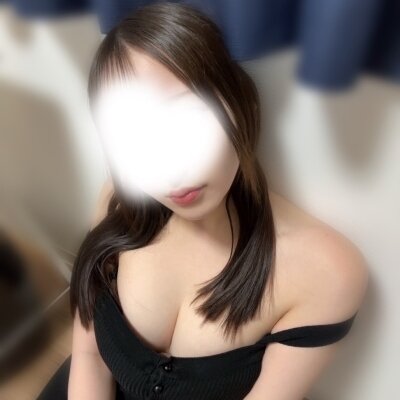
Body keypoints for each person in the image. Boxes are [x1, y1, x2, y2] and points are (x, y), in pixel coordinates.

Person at [37, 3, 368, 400]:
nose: (170, 173)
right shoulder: (119, 200)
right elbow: (89, 357)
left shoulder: (325, 271)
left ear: (240, 104)